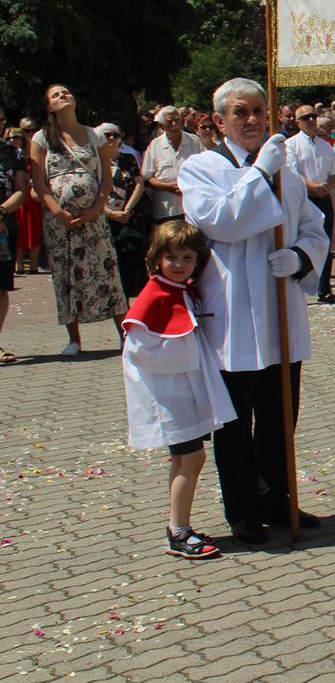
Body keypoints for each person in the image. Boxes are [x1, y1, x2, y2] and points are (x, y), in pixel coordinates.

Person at [180, 77, 329, 545]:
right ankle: (243, 507)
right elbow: (223, 222)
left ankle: (279, 499)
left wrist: (301, 257)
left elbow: (315, 227)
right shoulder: (202, 168)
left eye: (258, 112)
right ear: (219, 119)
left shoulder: (285, 170)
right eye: (240, 112)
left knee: (280, 415)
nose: (251, 120)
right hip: (233, 315)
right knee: (235, 421)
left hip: (280, 308)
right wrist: (260, 174)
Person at [121, 221, 237, 560]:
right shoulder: (154, 295)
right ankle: (179, 530)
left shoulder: (181, 289)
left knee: (186, 459)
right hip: (169, 395)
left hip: (183, 392)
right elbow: (139, 349)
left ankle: (179, 525)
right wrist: (183, 346)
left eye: (187, 257)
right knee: (191, 458)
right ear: (157, 258)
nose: (179, 264)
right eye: (171, 257)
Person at [31, 84, 126, 357]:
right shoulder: (41, 138)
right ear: (49, 107)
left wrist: (96, 208)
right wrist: (57, 211)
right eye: (56, 95)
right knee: (65, 275)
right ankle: (74, 340)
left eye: (66, 92)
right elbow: (39, 181)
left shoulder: (94, 135)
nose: (63, 96)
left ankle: (124, 334)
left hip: (93, 220)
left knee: (107, 273)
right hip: (59, 222)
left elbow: (105, 178)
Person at [285, 104, 335, 304]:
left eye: (313, 116)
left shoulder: (325, 145)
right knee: (301, 241)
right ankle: (300, 286)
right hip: (303, 198)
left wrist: (326, 187)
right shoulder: (291, 145)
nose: (310, 120)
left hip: (324, 198)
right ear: (297, 122)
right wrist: (313, 186)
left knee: (324, 242)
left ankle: (324, 288)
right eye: (306, 117)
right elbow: (293, 173)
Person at [99, 122, 150, 300]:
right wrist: (109, 212)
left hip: (129, 218)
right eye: (107, 135)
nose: (112, 138)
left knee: (133, 259)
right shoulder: (95, 163)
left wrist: (127, 209)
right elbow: (93, 192)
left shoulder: (128, 159)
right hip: (105, 219)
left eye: (115, 135)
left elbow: (139, 184)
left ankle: (136, 302)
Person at [141, 106, 205, 225]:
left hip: (192, 207)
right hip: (166, 209)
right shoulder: (155, 145)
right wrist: (167, 187)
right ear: (162, 125)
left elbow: (205, 170)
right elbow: (147, 178)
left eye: (177, 120)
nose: (174, 124)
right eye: (170, 121)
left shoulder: (194, 141)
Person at [0, 110, 28, 363]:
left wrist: (1, 212)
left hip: (4, 228)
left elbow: (21, 191)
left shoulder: (14, 154)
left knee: (0, 288)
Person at [14, 117, 43, 274]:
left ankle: (33, 263)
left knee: (34, 228)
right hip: (18, 194)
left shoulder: (39, 148)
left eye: (33, 130)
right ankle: (18, 263)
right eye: (27, 130)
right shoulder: (15, 151)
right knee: (19, 227)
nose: (30, 133)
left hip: (34, 194)